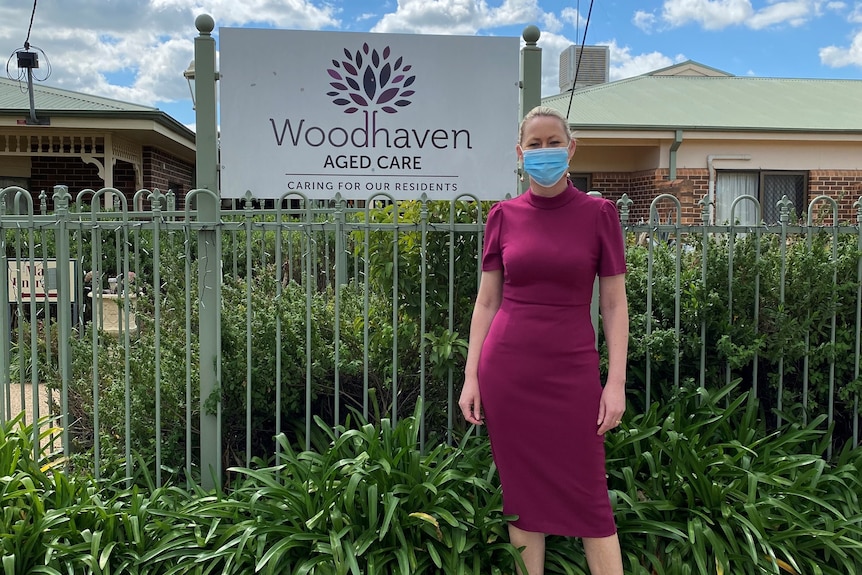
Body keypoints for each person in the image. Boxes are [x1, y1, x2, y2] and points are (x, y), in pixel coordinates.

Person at [458, 106, 629, 575]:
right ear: (520, 153)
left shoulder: (599, 214)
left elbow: (614, 304)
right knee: (523, 499)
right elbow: (486, 303)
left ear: (571, 149)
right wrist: (471, 376)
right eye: (534, 144)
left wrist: (615, 382)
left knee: (593, 502)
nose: (544, 151)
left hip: (573, 372)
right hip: (508, 373)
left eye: (554, 141)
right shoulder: (503, 217)